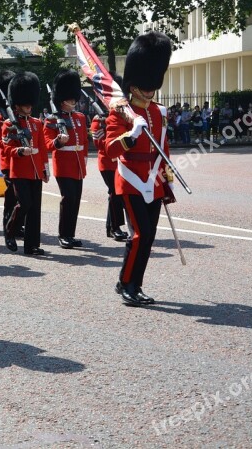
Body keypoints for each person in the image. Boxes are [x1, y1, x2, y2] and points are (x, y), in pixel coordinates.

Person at [105, 31, 175, 306]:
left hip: (155, 179)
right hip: (132, 179)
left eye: (152, 85)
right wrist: (131, 135)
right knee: (139, 233)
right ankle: (125, 283)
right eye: (145, 85)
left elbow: (164, 149)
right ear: (133, 85)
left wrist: (167, 182)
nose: (150, 90)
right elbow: (110, 149)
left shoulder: (158, 112)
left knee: (149, 237)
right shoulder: (120, 113)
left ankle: (136, 284)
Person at [0, 72, 49, 254]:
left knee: (35, 209)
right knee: (25, 204)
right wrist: (20, 151)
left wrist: (45, 169)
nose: (28, 107)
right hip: (19, 171)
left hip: (36, 171)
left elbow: (43, 148)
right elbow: (6, 148)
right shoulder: (9, 124)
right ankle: (10, 230)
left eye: (29, 104)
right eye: (24, 104)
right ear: (17, 105)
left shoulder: (37, 123)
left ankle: (31, 245)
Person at [44, 70, 88, 249]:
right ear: (62, 101)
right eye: (70, 100)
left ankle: (70, 234)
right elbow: (47, 143)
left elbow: (84, 142)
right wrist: (57, 142)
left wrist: (84, 160)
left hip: (77, 165)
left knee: (75, 200)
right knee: (68, 198)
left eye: (74, 99)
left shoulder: (80, 117)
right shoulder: (52, 120)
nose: (74, 102)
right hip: (63, 165)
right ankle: (63, 235)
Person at [91, 97, 129, 242]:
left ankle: (111, 227)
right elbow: (99, 143)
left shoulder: (123, 117)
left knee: (116, 194)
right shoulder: (98, 120)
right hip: (108, 162)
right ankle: (115, 228)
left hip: (121, 162)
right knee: (115, 192)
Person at [0, 70, 22, 235]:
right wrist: (8, 139)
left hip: (21, 159)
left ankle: (17, 224)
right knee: (11, 195)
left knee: (20, 195)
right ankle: (8, 223)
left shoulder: (19, 116)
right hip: (7, 160)